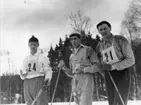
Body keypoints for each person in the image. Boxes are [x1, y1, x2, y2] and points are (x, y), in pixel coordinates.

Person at [96, 21, 135, 105]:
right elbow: (101, 61)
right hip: (108, 75)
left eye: (105, 28)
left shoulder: (120, 40)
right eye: (101, 29)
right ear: (99, 32)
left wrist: (113, 67)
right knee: (112, 101)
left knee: (120, 100)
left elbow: (131, 60)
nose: (103, 31)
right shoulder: (100, 45)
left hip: (122, 73)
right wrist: (103, 70)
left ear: (110, 28)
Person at [58, 33, 100, 105]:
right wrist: (64, 67)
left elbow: (98, 66)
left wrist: (84, 69)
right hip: (75, 83)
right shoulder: (71, 55)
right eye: (71, 39)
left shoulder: (88, 49)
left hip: (86, 81)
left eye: (75, 38)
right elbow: (72, 73)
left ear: (80, 39)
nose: (73, 41)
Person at [20, 36, 52, 105]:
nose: (33, 46)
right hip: (27, 83)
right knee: (29, 102)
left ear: (38, 45)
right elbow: (22, 71)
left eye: (34, 44)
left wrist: (47, 78)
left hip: (38, 81)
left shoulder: (42, 57)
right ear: (28, 45)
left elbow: (48, 69)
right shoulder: (25, 58)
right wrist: (22, 75)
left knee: (41, 102)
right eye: (31, 44)